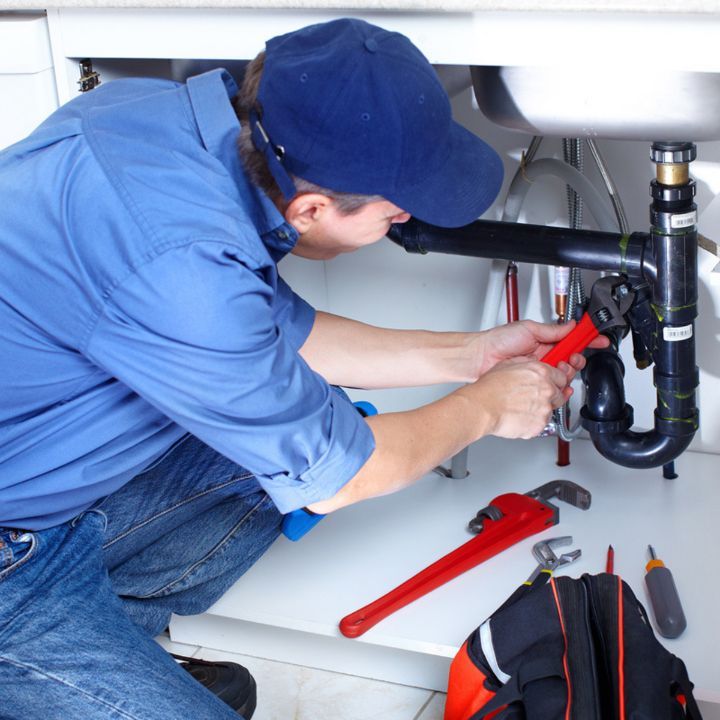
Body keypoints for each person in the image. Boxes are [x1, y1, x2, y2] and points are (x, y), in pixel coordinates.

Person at [0, 18, 600, 720]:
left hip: (40, 488)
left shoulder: (160, 119)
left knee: (299, 445)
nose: (402, 224)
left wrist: (473, 354)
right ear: (312, 207)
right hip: (12, 559)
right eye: (394, 215)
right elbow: (344, 479)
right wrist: (487, 409)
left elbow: (279, 332)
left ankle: (94, 655)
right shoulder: (184, 268)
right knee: (322, 458)